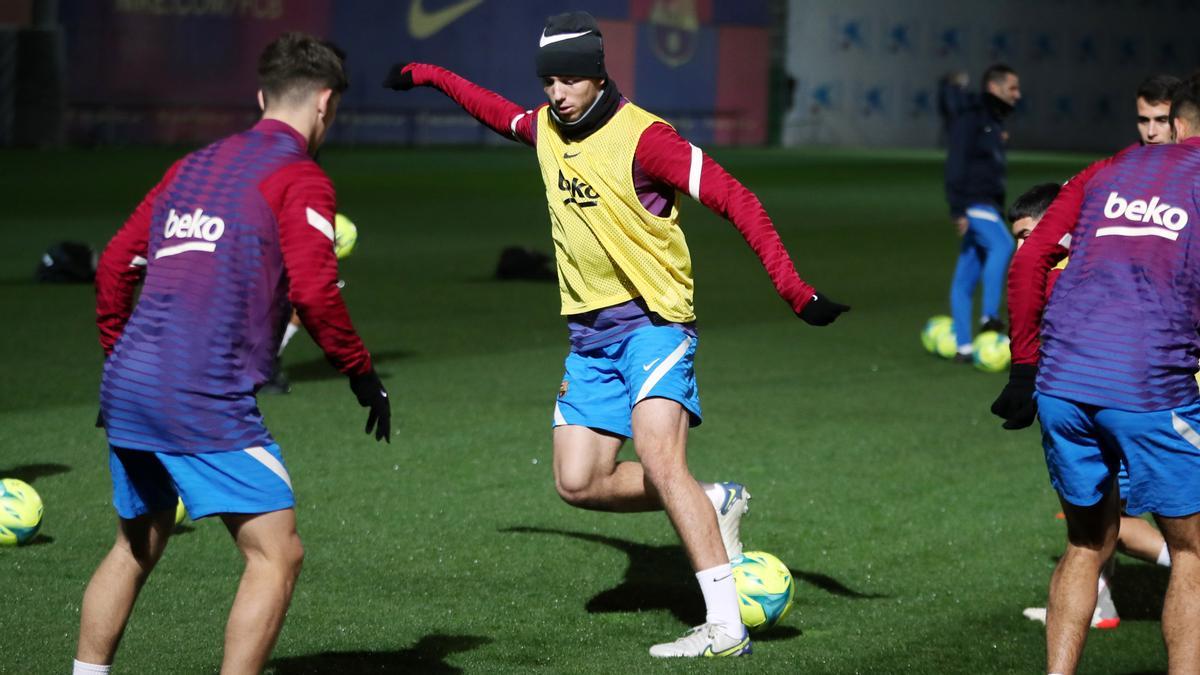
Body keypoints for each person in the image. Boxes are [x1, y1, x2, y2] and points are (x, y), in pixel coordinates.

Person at [383, 11, 847, 658]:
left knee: (661, 459)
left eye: (571, 78)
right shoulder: (547, 125)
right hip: (590, 340)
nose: (558, 92)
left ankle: (724, 627)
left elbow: (737, 198)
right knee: (578, 482)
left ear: (599, 75)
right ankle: (716, 499)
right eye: (549, 80)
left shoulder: (646, 139)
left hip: (655, 325)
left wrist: (794, 288)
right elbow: (499, 113)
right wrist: (429, 74)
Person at [74, 33, 391, 675]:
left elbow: (113, 265)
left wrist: (123, 354)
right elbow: (316, 294)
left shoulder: (192, 164)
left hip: (130, 384)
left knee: (137, 543)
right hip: (200, 395)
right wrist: (361, 375)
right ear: (327, 102)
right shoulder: (300, 177)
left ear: (260, 96)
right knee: (278, 554)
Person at [992, 77, 1200, 674]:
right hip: (1147, 384)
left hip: (1062, 380)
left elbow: (1031, 256)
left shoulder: (1103, 171)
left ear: (1174, 123)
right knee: (1192, 549)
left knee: (1086, 542)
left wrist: (1024, 367)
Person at [944, 63, 1021, 362]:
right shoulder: (972, 117)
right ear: (994, 87)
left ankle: (963, 348)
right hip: (975, 203)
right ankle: (989, 316)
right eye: (1012, 88)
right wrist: (958, 208)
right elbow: (956, 163)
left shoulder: (993, 120)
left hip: (986, 204)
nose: (1018, 94)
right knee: (1003, 245)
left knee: (965, 276)